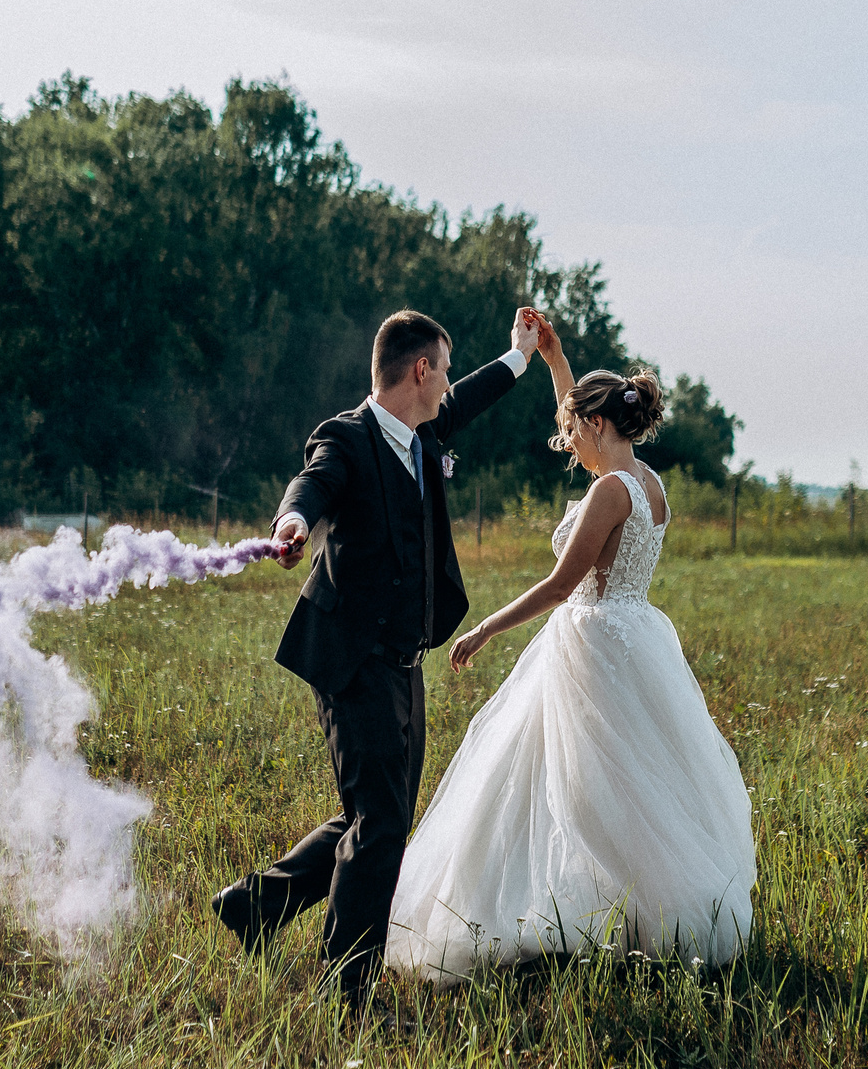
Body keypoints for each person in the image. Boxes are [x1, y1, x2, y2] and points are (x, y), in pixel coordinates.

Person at [210, 305, 549, 1006]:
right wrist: (293, 520)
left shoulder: (425, 433)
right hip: (351, 658)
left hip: (404, 662)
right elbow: (314, 483)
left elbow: (473, 396)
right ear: (420, 370)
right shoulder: (347, 436)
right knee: (383, 824)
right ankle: (346, 991)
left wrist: (519, 355)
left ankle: (254, 905)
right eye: (444, 369)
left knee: (374, 814)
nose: (449, 382)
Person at [383, 350, 755, 983]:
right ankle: (626, 913)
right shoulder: (648, 483)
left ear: (599, 425)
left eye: (576, 430)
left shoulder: (609, 492)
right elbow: (576, 416)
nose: (568, 440)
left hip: (594, 646)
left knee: (578, 786)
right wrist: (554, 360)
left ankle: (559, 914)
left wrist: (485, 628)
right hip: (636, 638)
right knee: (633, 783)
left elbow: (560, 585)